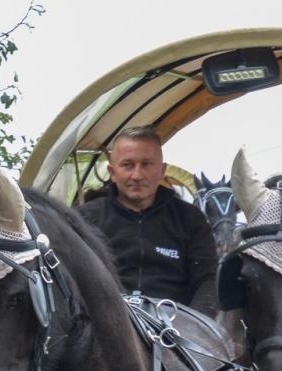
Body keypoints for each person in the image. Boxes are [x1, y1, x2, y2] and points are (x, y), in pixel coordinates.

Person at [74, 125, 221, 313]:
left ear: (162, 170)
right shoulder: (84, 219)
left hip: (175, 322)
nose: (137, 175)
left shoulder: (190, 219)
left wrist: (194, 325)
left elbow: (208, 279)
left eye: (146, 164)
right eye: (127, 165)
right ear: (112, 172)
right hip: (105, 320)